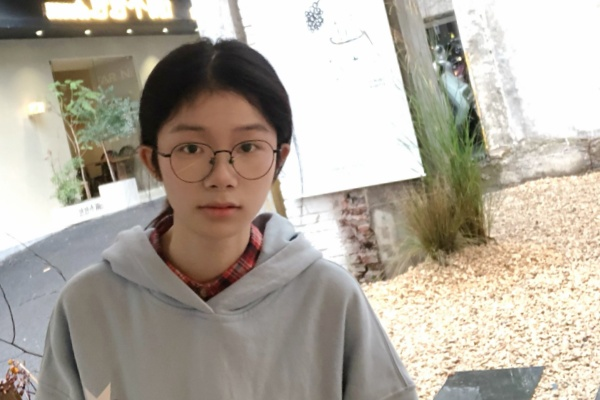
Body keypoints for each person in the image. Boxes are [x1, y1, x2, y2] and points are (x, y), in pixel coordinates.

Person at [37, 38, 419, 400]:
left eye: (248, 146)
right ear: (152, 161)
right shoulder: (87, 308)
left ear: (279, 159)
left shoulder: (330, 299)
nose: (221, 176)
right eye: (191, 148)